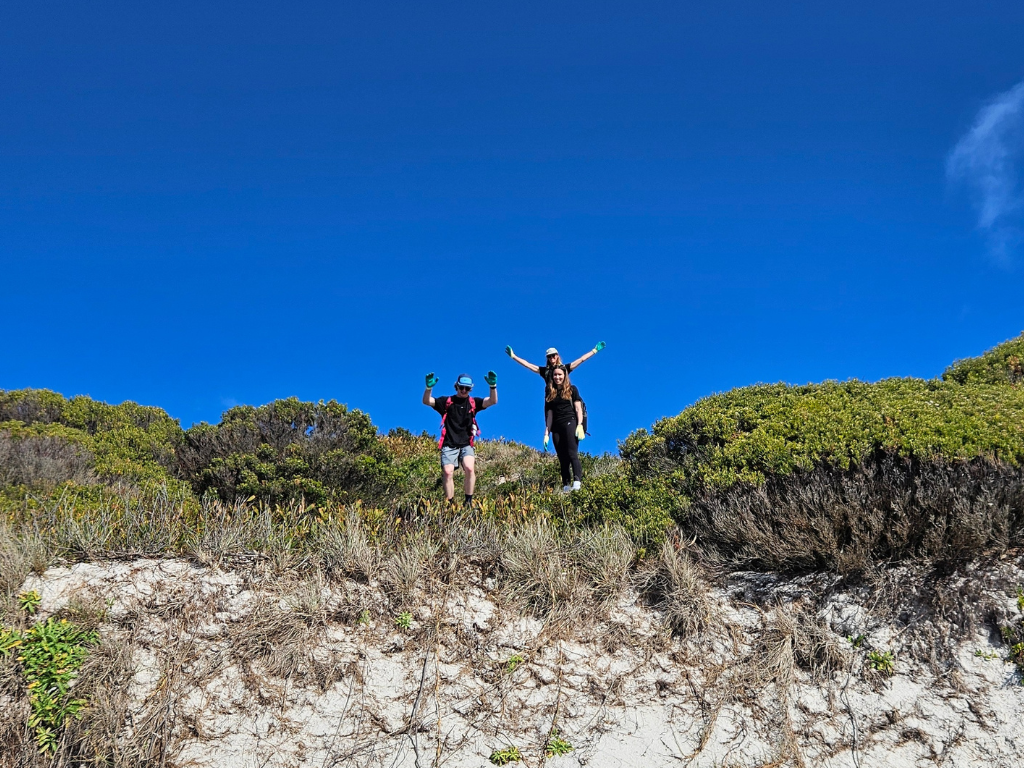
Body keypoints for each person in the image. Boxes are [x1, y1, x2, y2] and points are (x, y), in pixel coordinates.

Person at [422, 371, 497, 505]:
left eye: (467, 388)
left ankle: (468, 501)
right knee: (447, 471)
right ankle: (450, 504)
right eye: (461, 387)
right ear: (456, 387)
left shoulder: (473, 402)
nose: (464, 390)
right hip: (449, 443)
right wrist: (428, 388)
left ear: (470, 389)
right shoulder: (447, 402)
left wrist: (493, 386)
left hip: (466, 444)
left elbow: (492, 401)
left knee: (469, 468)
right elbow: (427, 401)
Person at [543, 365, 585, 492]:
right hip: (556, 427)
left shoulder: (572, 389)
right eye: (555, 375)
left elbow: (578, 408)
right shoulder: (550, 392)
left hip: (570, 422)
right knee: (562, 457)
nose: (557, 377)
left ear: (565, 376)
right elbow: (549, 415)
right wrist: (546, 433)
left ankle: (577, 483)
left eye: (560, 374)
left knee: (572, 453)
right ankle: (566, 486)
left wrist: (580, 425)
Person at [505, 342, 606, 388]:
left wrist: (594, 350)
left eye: (553, 355)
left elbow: (581, 360)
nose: (551, 358)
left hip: (565, 396)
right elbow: (527, 365)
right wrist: (514, 356)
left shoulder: (564, 368)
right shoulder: (544, 371)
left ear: (557, 356)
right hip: (551, 400)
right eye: (549, 356)